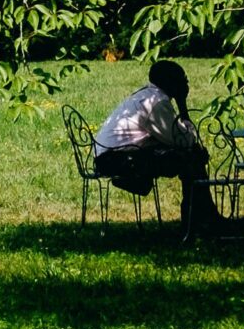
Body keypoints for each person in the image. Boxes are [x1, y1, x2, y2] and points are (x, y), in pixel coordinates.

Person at [92, 60, 216, 231]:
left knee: (192, 156)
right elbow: (182, 141)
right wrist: (182, 105)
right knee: (191, 159)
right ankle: (200, 221)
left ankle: (203, 218)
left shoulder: (146, 95)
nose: (186, 84)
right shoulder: (157, 103)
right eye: (183, 79)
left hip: (111, 156)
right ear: (171, 82)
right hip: (119, 160)